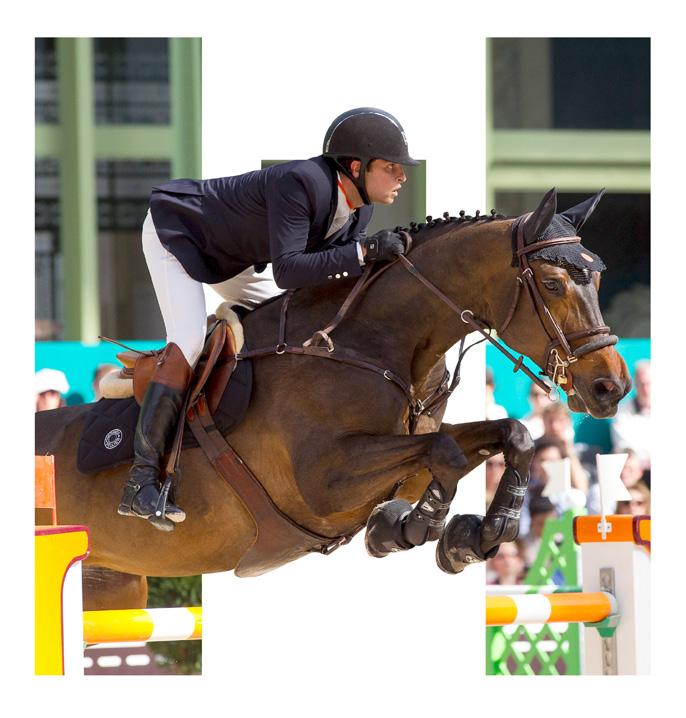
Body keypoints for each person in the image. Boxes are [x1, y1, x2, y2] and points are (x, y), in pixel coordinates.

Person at [118, 107, 420, 531]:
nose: (401, 176)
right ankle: (141, 481)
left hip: (231, 257)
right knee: (188, 339)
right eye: (391, 167)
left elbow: (323, 281)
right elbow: (289, 271)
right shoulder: (302, 182)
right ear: (357, 167)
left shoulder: (359, 210)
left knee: (289, 319)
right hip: (179, 235)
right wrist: (363, 252)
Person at [611, 360, 650, 476]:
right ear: (636, 384)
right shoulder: (622, 412)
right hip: (635, 474)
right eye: (642, 384)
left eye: (649, 384)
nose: (646, 389)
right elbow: (624, 446)